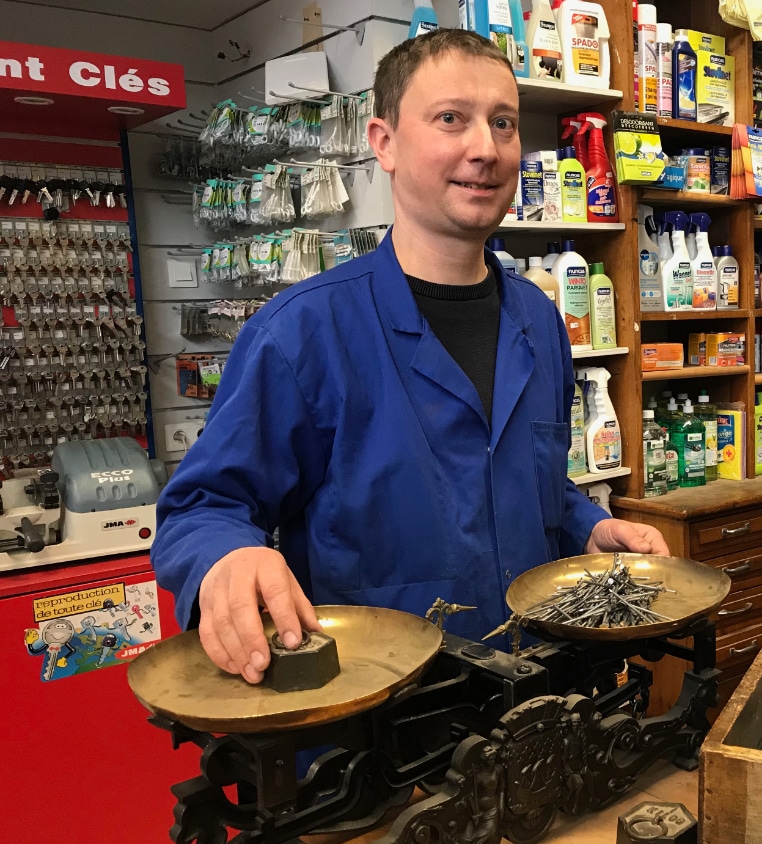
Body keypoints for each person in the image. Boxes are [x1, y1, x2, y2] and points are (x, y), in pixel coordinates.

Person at [152, 30, 668, 686]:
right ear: (384, 143)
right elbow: (202, 507)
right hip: (382, 731)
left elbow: (530, 489)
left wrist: (586, 528)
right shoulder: (301, 333)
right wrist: (225, 559)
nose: (484, 148)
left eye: (503, 123)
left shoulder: (539, 319)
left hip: (539, 706)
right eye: (451, 119)